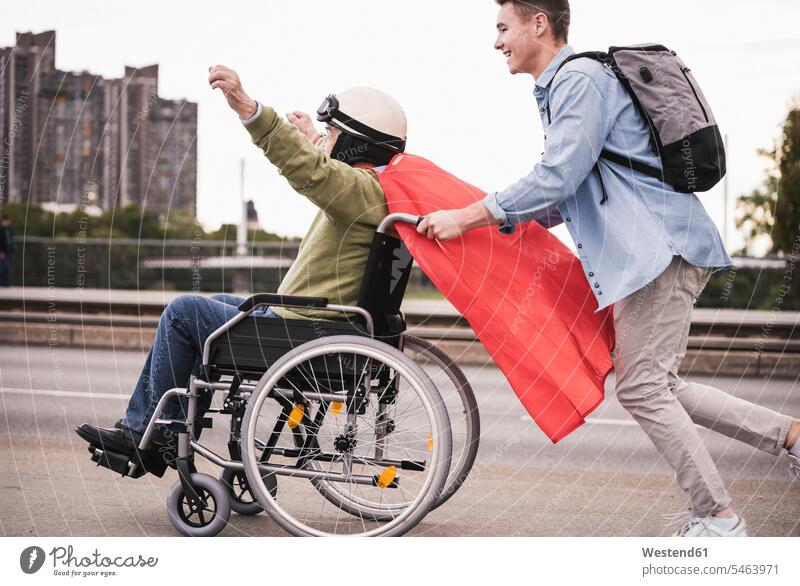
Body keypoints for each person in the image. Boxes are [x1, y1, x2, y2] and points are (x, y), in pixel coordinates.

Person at [417, 0, 800, 537]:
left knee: (643, 388)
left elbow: (557, 175)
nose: (496, 41)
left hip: (656, 252)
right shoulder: (562, 88)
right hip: (653, 253)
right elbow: (565, 192)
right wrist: (492, 226)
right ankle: (788, 436)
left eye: (503, 27)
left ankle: (718, 518)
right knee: (655, 383)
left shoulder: (579, 80)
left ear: (538, 23)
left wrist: (470, 215)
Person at [75, 65, 408, 474]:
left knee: (183, 312)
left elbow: (312, 171)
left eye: (334, 134)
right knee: (212, 306)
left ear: (355, 145)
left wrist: (249, 109)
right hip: (315, 324)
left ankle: (147, 433)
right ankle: (166, 429)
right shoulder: (378, 192)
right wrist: (313, 137)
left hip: (301, 331)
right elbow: (324, 165)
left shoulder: (358, 192)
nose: (326, 140)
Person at [0, 215, 13, 286]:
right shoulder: (1, 230)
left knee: (7, 268)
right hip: (3, 252)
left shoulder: (9, 230)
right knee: (2, 268)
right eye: (7, 221)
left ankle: (5, 283)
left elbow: (10, 241)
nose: (9, 223)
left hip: (8, 252)